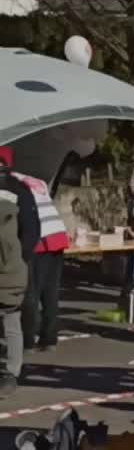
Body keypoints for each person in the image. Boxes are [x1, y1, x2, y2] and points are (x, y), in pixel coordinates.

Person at [0, 147, 38, 398]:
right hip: (11, 265)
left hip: (8, 267)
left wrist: (16, 259)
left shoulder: (17, 191)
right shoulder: (21, 190)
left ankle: (10, 372)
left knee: (9, 319)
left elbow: (30, 233)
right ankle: (9, 372)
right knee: (10, 320)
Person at [19, 168, 68, 354]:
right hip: (57, 235)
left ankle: (28, 340)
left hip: (39, 239)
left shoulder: (12, 186)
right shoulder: (34, 180)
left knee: (31, 291)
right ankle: (49, 338)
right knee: (50, 290)